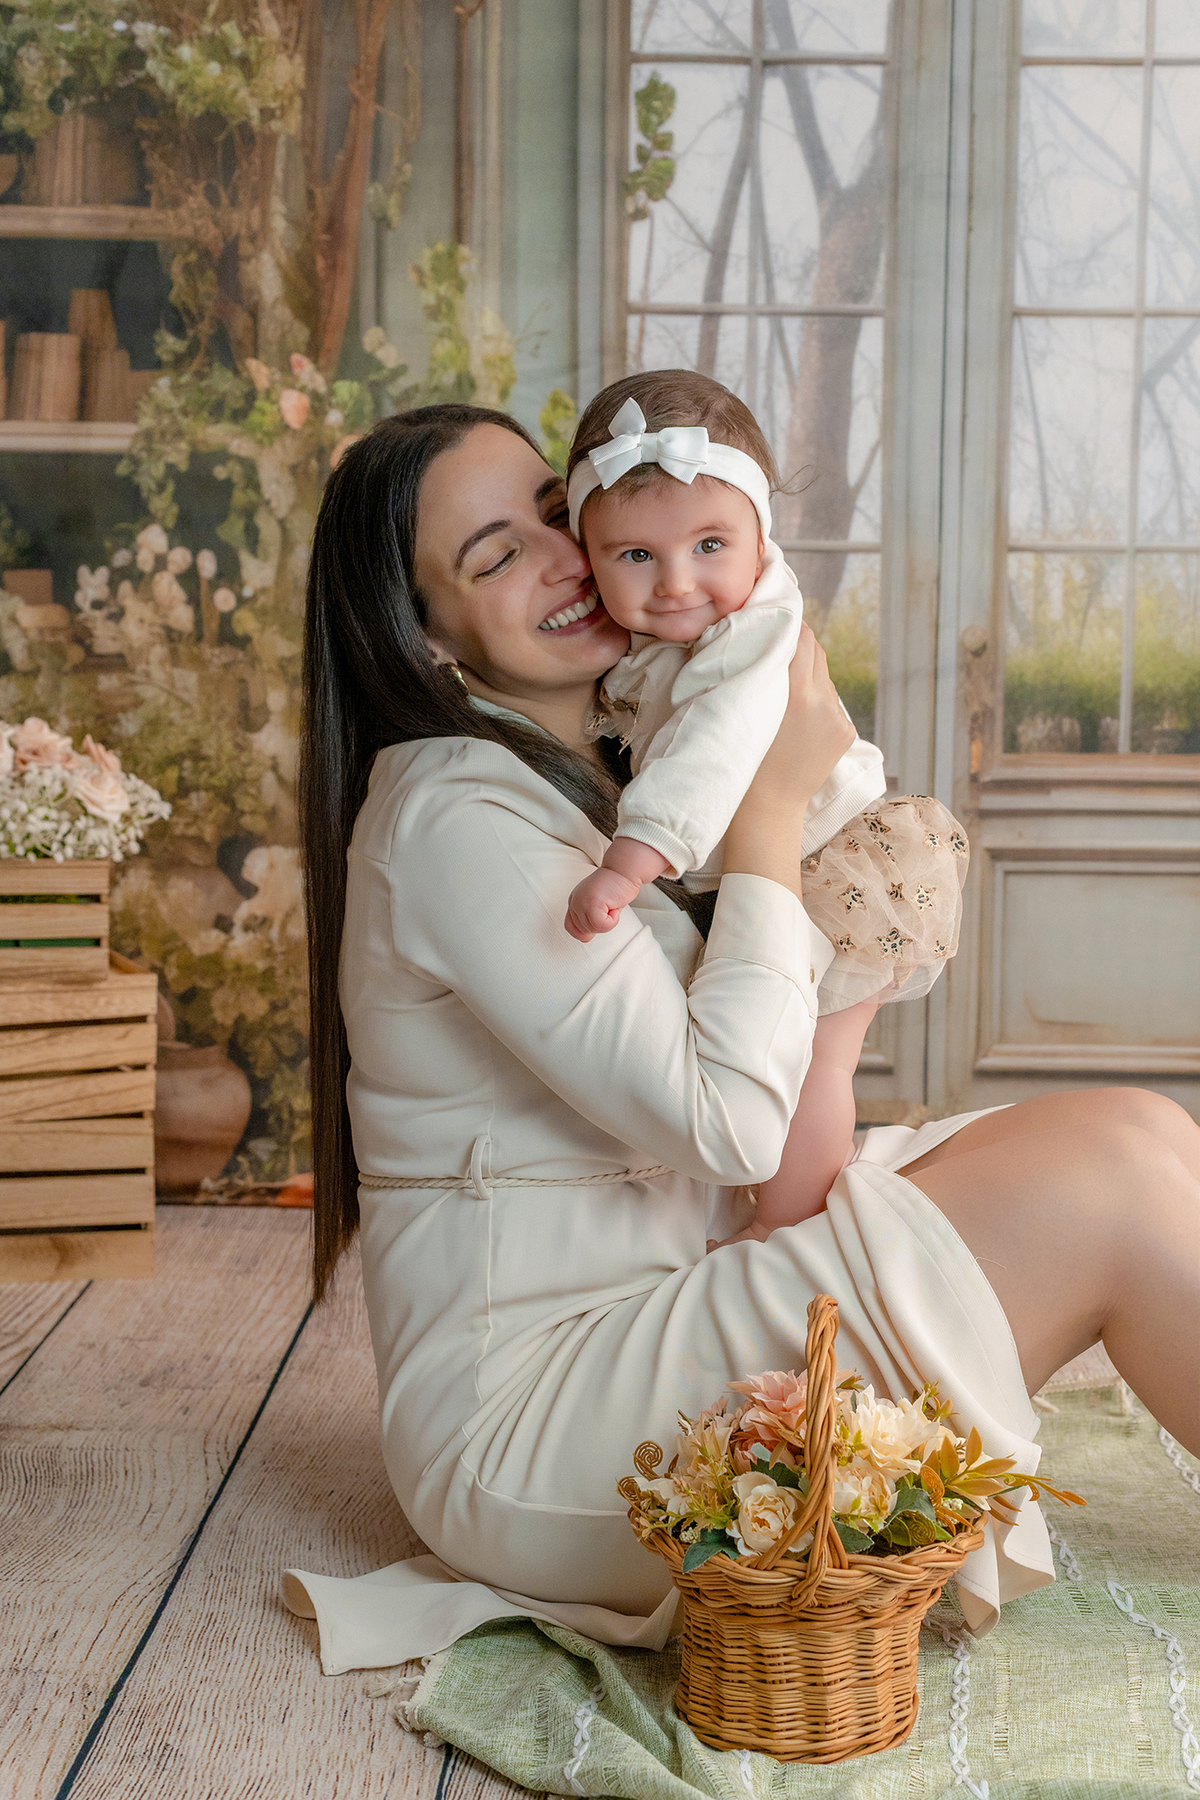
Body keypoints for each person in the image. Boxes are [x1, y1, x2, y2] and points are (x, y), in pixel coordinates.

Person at [286, 402, 1200, 1678]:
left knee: (1141, 1131)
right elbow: (725, 1120)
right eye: (492, 558)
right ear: (424, 641)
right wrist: (773, 801)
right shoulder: (452, 816)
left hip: (664, 1284)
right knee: (1106, 1180)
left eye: (556, 513)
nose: (561, 558)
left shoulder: (608, 773)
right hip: (539, 1426)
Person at [562, 371, 970, 1233]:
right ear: (588, 553)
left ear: (760, 533)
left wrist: (633, 859)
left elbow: (712, 751)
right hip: (792, 852)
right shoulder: (672, 631)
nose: (676, 581)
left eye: (710, 545)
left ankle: (787, 1230)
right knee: (793, 1060)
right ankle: (784, 1213)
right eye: (636, 556)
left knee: (818, 1064)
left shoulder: (752, 639)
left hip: (835, 855)